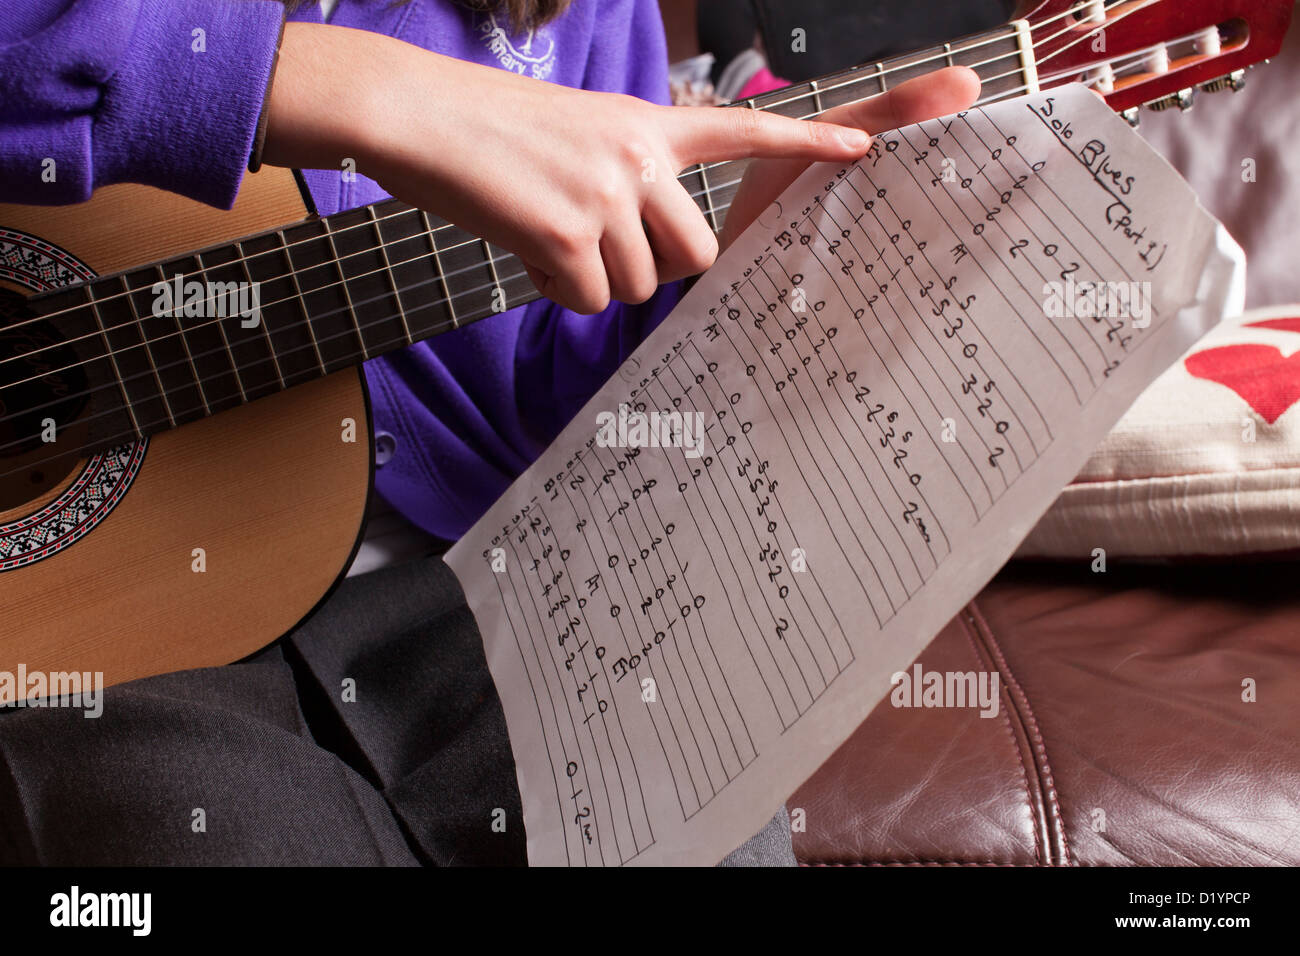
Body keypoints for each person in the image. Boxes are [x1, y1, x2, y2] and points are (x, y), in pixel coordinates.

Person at [0, 0, 979, 865]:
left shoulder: (589, 11)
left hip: (471, 598)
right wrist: (341, 89)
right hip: (116, 639)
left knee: (683, 809)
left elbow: (561, 373)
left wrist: (713, 286)